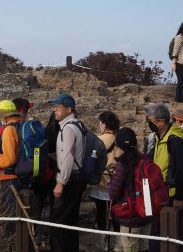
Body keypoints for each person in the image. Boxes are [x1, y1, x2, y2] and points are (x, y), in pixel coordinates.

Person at [146, 103, 183, 252]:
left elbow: (181, 169)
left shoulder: (175, 140)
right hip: (160, 190)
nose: (149, 124)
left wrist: (178, 196)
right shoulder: (160, 136)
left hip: (171, 192)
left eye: (151, 121)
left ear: (161, 121)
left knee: (178, 228)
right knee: (160, 226)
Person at [48, 93, 86, 252]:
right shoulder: (77, 124)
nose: (55, 110)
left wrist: (60, 183)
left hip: (69, 181)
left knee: (59, 223)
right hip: (77, 178)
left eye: (59, 107)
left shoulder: (68, 128)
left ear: (69, 109)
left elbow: (69, 157)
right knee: (70, 222)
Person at [109, 127, 152, 252]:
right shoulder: (145, 159)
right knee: (144, 247)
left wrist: (110, 183)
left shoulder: (121, 165)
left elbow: (113, 193)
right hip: (146, 212)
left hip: (130, 216)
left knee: (130, 248)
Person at [86, 111, 120, 243]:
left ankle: (103, 241)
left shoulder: (98, 140)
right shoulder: (120, 139)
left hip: (100, 182)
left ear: (104, 125)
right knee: (116, 212)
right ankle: (118, 242)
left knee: (101, 211)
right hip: (116, 182)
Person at [0, 100, 22, 236]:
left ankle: (12, 242)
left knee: (11, 212)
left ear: (4, 115)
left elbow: (9, 159)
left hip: (10, 177)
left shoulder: (9, 130)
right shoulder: (19, 125)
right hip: (19, 175)